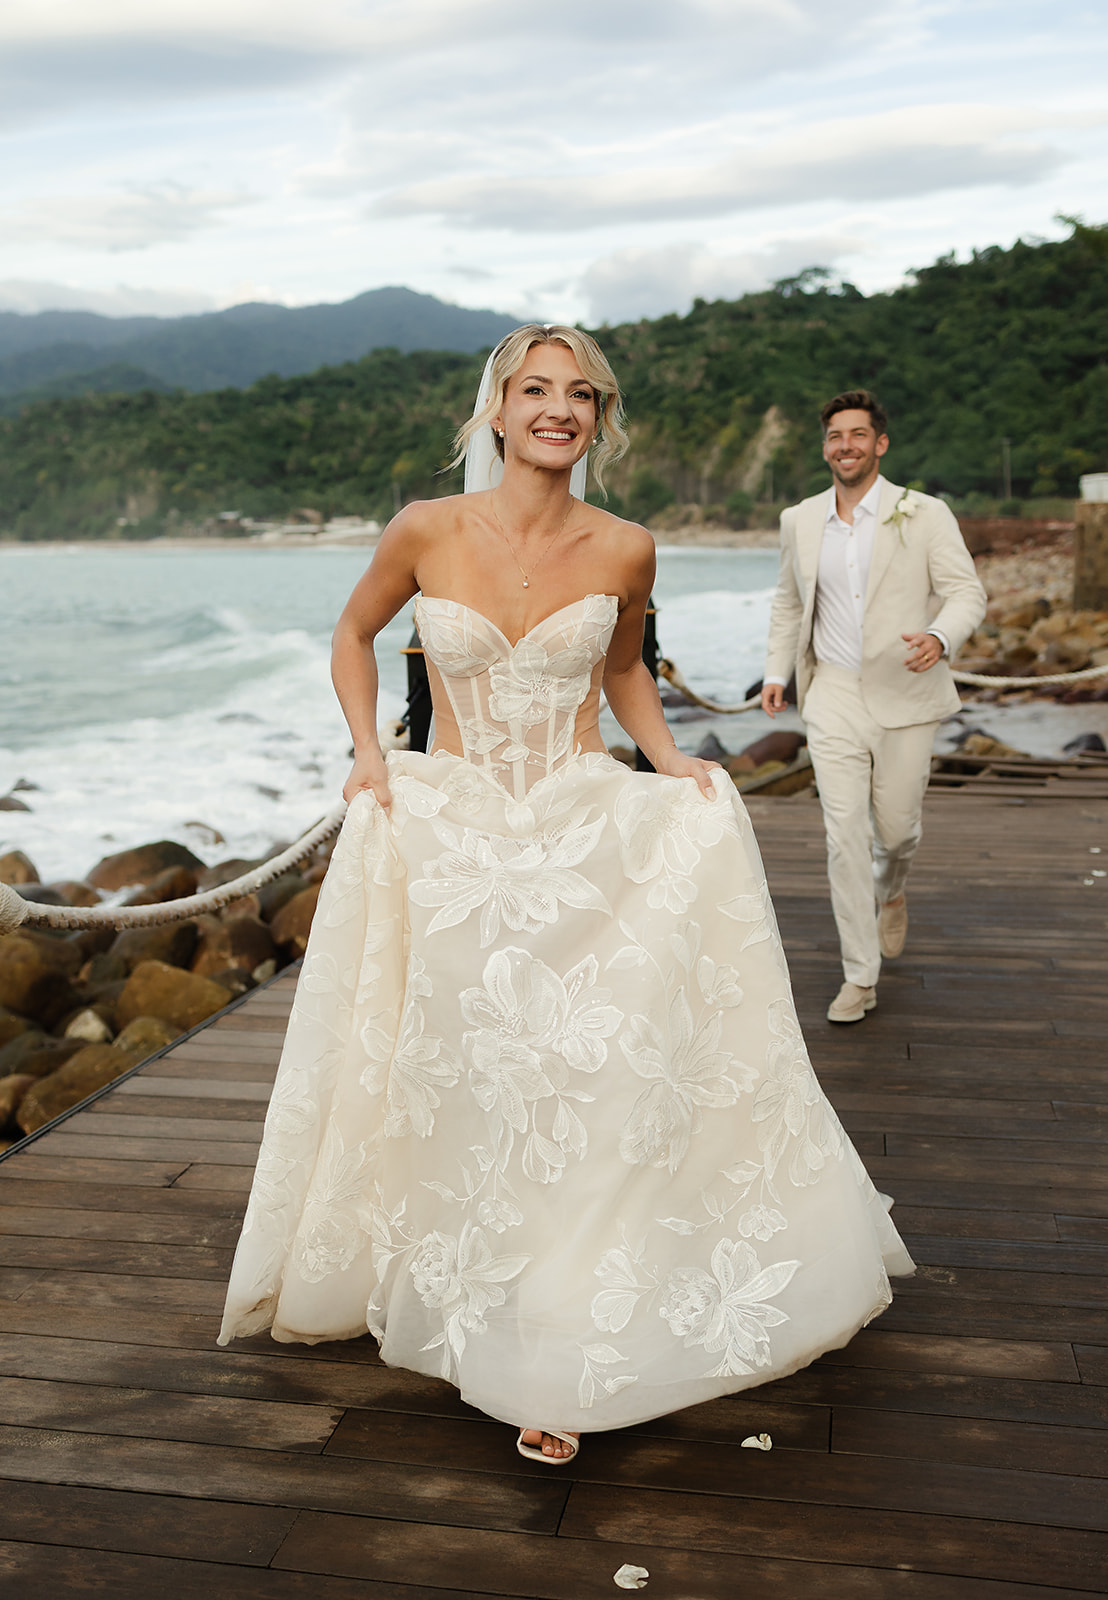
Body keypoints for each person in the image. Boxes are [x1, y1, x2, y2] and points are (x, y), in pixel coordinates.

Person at [219, 331, 914, 1465]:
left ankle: (561, 1324)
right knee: (471, 1075)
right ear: (496, 410)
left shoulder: (627, 545)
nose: (558, 408)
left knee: (581, 1076)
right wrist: (366, 756)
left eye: (579, 394)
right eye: (535, 390)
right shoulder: (425, 528)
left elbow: (625, 671)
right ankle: (474, 1286)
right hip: (453, 833)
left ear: (597, 419)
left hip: (580, 821)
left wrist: (676, 762)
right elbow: (352, 633)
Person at [761, 390, 986, 1023]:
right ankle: (859, 976)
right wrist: (777, 671)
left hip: (907, 695)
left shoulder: (924, 514)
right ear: (825, 445)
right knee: (843, 838)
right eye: (835, 436)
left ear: (880, 444)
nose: (846, 446)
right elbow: (787, 603)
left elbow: (966, 593)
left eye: (858, 435)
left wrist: (940, 637)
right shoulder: (798, 520)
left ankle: (893, 892)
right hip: (830, 692)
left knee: (897, 832)